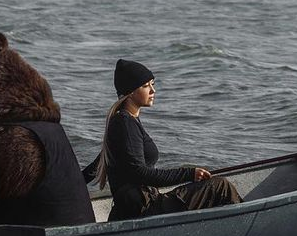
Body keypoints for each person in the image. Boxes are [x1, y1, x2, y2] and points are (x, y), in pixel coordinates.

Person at [83, 59, 241, 221]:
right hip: (143, 210)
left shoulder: (126, 122)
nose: (153, 90)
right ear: (130, 92)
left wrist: (70, 184)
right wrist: (189, 173)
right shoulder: (125, 124)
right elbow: (141, 173)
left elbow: (97, 164)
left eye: (152, 84)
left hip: (140, 206)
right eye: (146, 86)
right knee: (219, 186)